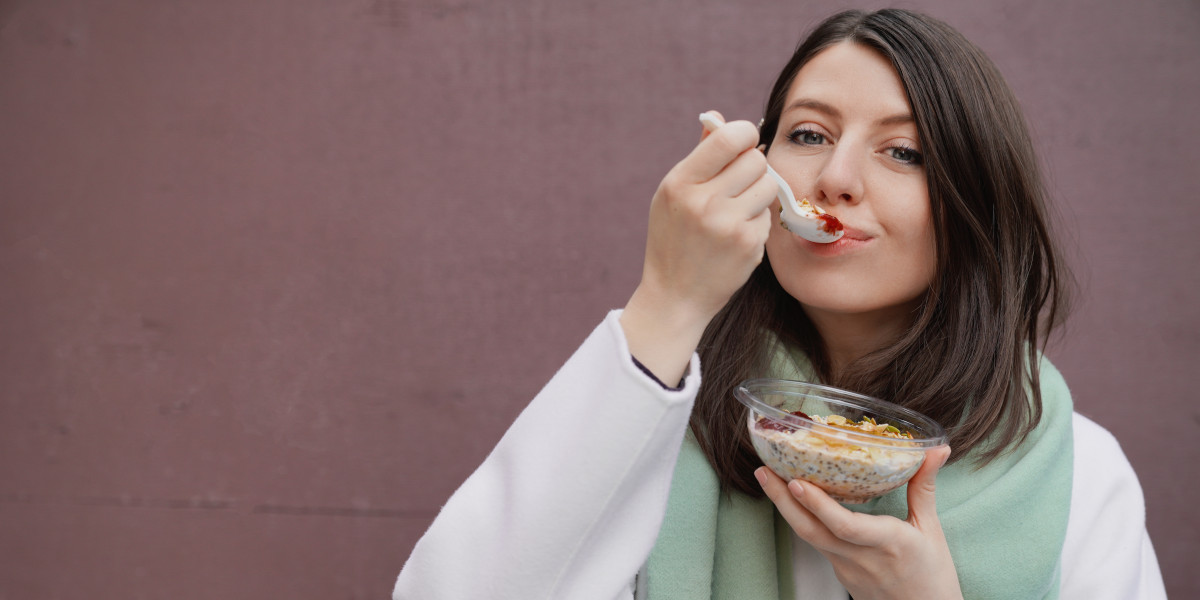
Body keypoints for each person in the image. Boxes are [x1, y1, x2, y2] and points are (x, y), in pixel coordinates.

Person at [394, 9, 1166, 599]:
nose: (835, 176)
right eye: (806, 134)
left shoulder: (1074, 472)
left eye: (904, 151)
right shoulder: (653, 423)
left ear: (974, 206)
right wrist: (668, 300)